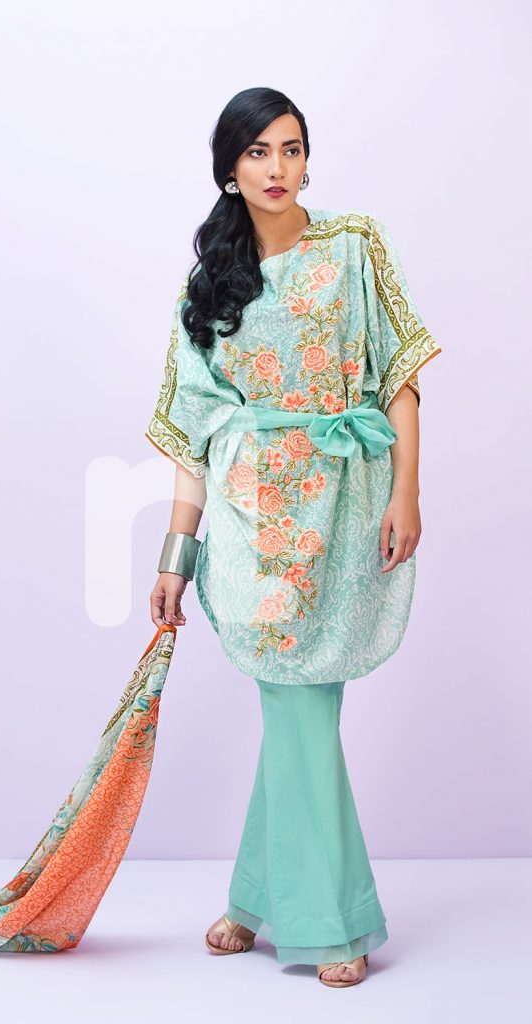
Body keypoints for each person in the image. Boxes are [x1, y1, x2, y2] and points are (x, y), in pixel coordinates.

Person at [145, 87, 442, 988]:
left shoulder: (353, 245)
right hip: (251, 519)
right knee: (294, 706)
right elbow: (194, 434)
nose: (277, 168)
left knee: (301, 707)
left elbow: (398, 372)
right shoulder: (208, 287)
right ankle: (324, 917)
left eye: (291, 148)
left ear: (307, 159)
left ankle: (254, 899)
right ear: (229, 170)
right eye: (257, 152)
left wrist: (406, 492)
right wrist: (176, 555)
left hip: (342, 504)